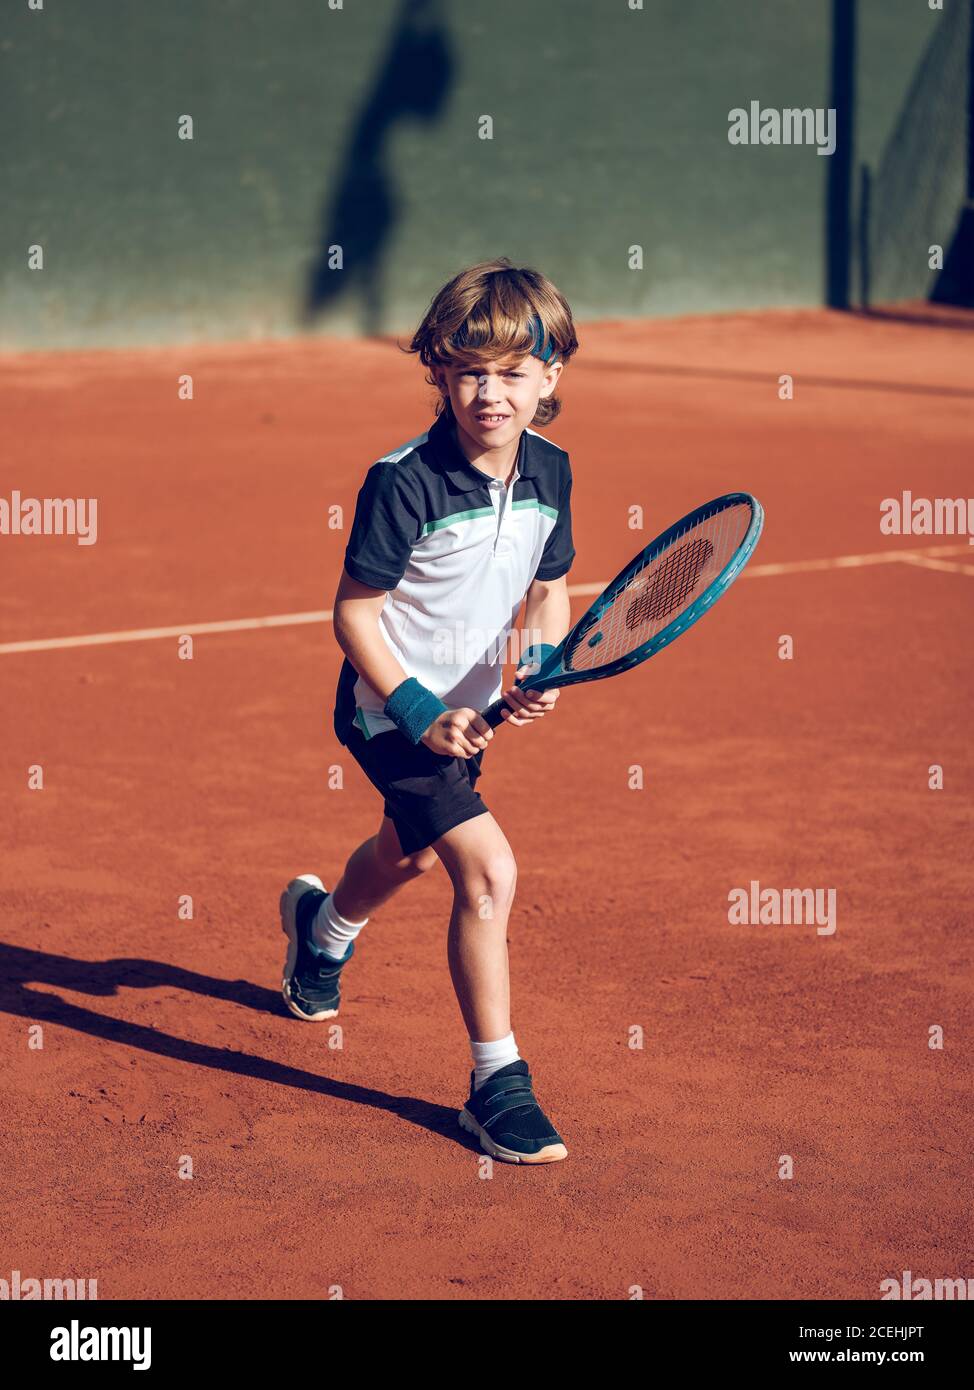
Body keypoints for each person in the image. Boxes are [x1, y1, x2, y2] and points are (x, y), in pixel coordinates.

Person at [281, 258, 578, 1163]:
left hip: (474, 712)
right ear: (441, 374)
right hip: (390, 710)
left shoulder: (553, 473)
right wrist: (414, 708)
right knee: (486, 871)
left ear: (550, 377)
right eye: (470, 371)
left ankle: (320, 933)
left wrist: (543, 657)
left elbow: (552, 588)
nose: (490, 392)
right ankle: (498, 1086)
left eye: (512, 372)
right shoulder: (403, 480)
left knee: (404, 855)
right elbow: (354, 615)